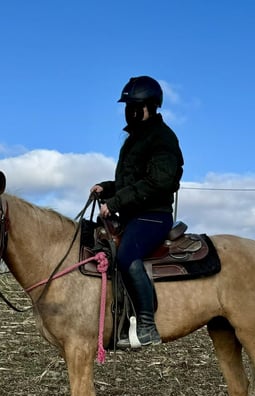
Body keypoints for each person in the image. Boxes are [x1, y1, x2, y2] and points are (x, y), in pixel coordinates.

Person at [91, 75, 184, 348]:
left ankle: (146, 325)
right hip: (134, 213)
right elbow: (130, 182)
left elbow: (160, 181)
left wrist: (116, 203)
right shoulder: (135, 139)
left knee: (127, 254)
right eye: (128, 105)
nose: (129, 110)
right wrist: (106, 189)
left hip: (153, 214)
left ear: (150, 106)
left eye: (135, 105)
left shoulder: (162, 138)